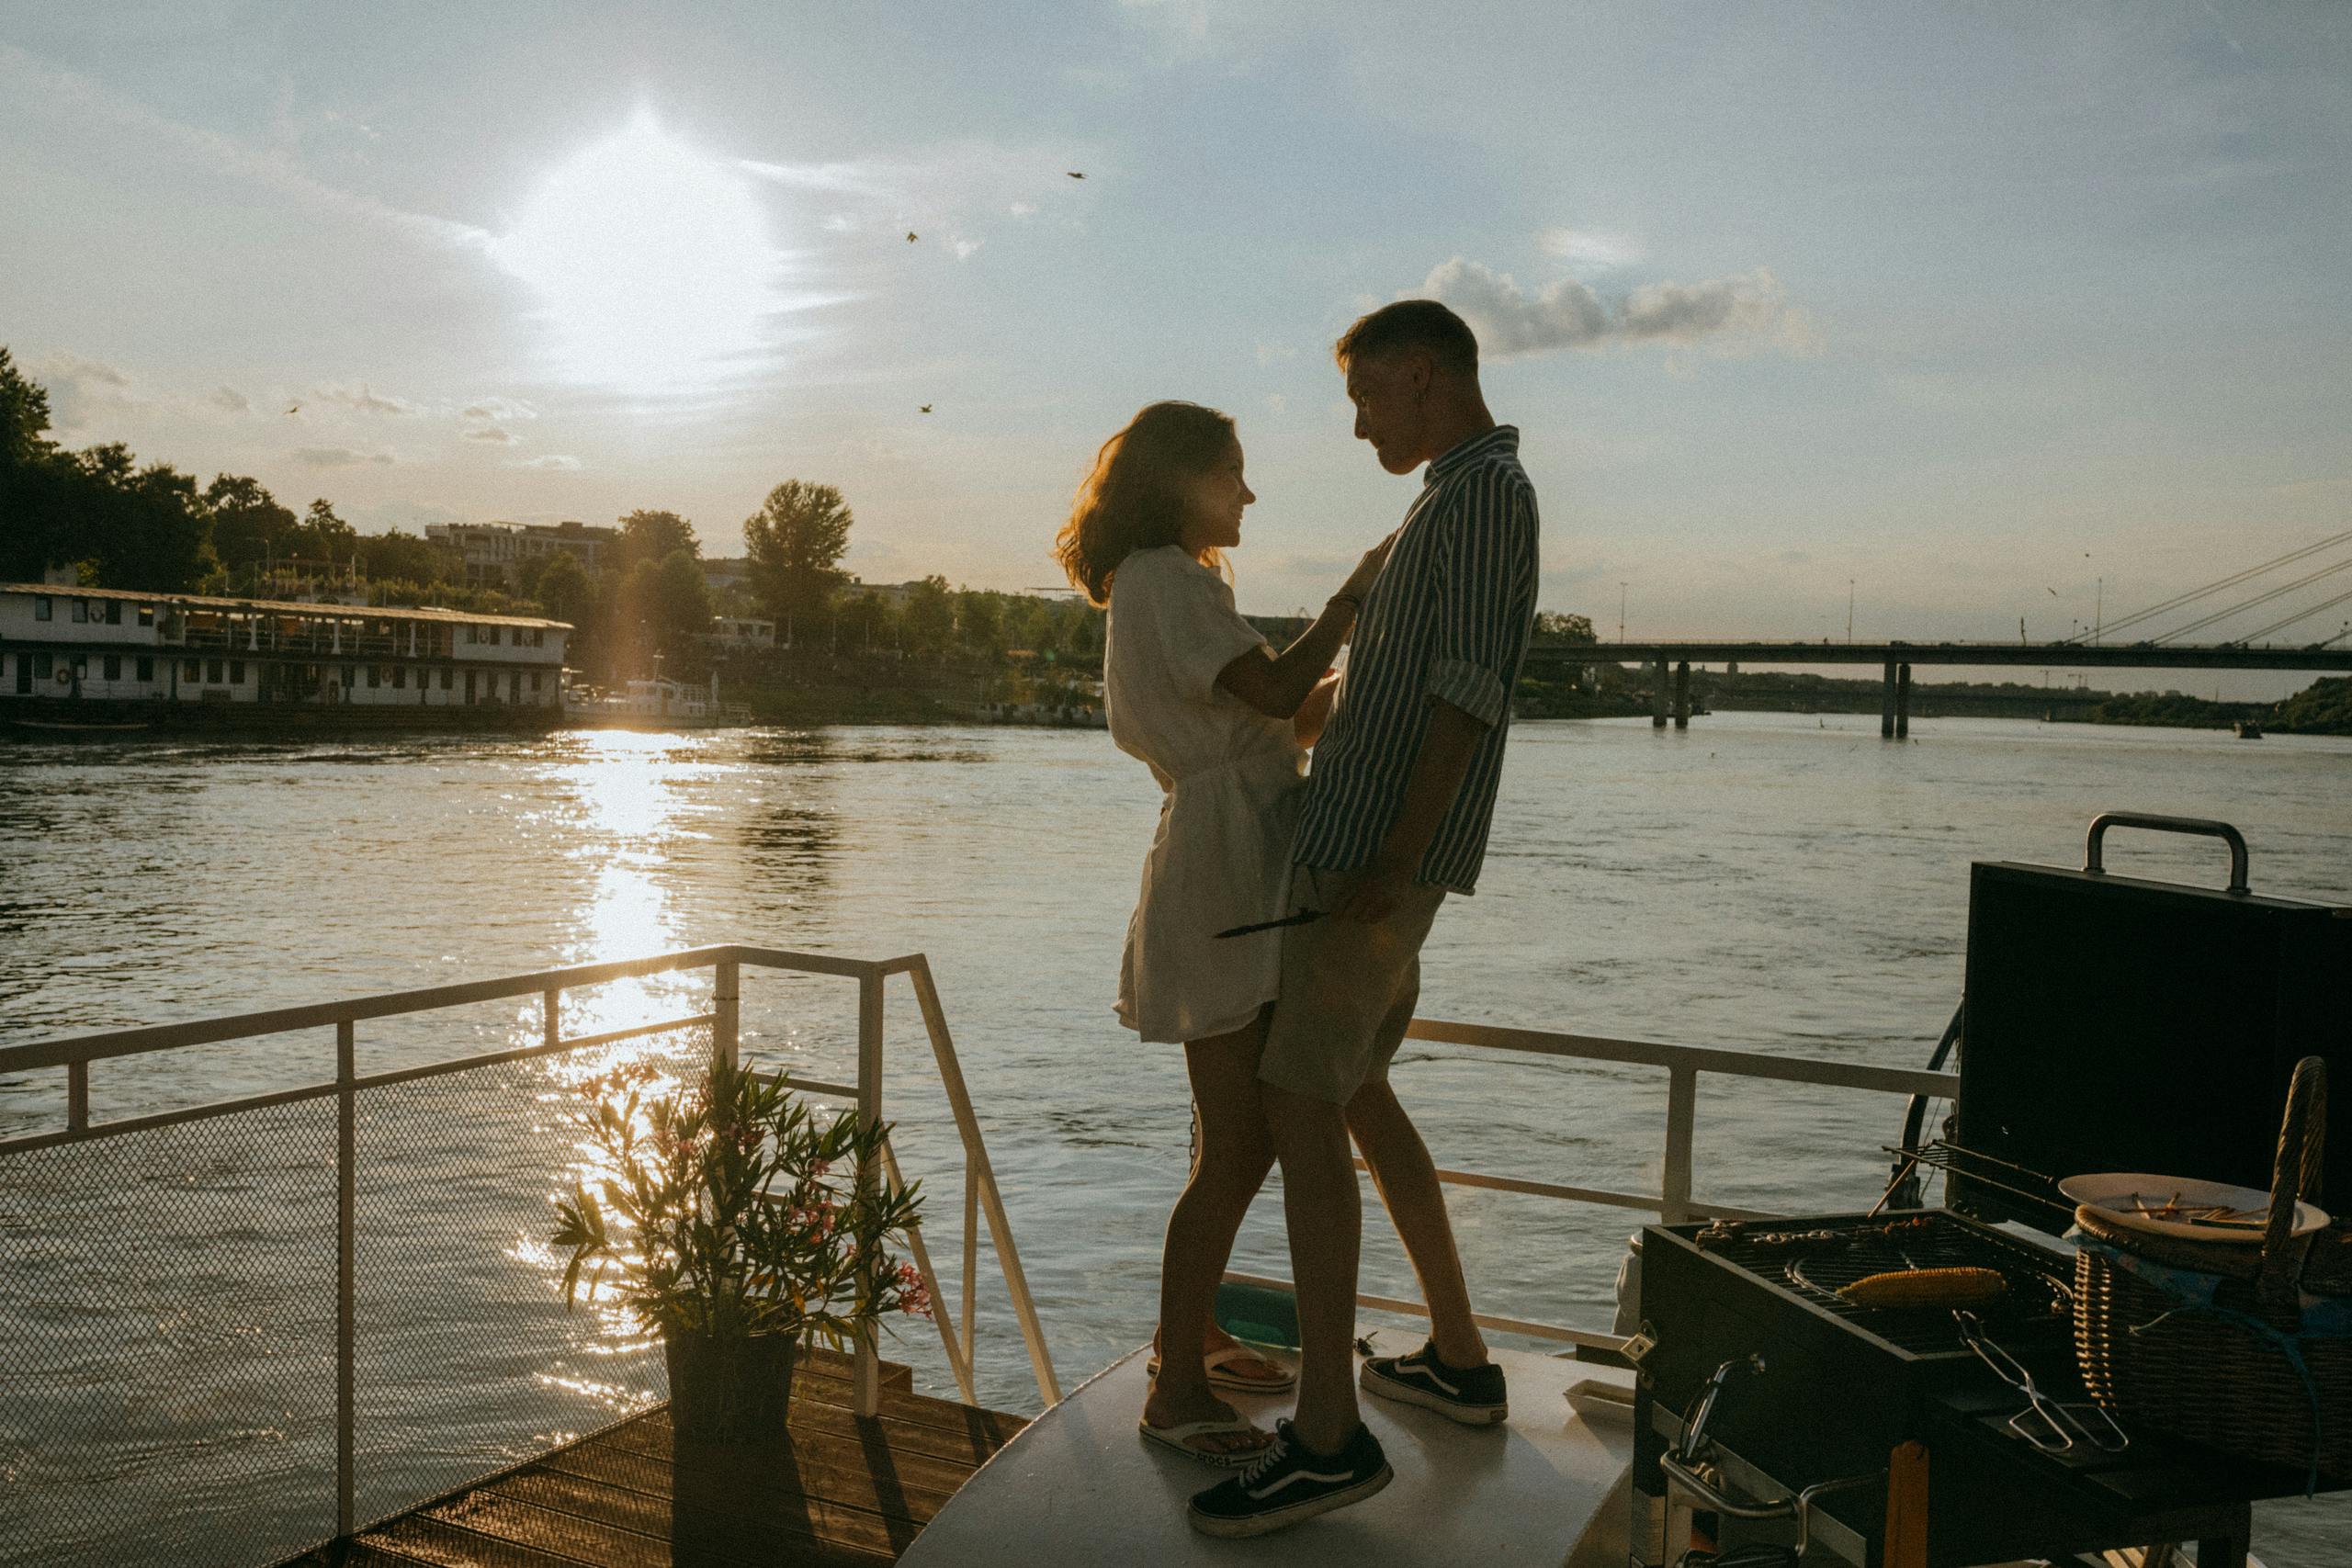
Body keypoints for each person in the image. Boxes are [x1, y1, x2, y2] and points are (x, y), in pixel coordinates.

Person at [1188, 299, 1540, 1539]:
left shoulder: (1487, 494)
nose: (1356, 425)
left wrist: (1393, 849)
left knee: (1298, 1102)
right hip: (1359, 855)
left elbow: (1469, 687)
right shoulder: (1444, 498)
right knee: (1355, 1097)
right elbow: (1398, 685)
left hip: (1370, 868)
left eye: (1368, 396)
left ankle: (1329, 1436)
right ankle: (1456, 1353)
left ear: (1428, 376)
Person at [1054, 400, 1393, 1468]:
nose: (1247, 494)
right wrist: (1350, 600)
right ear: (1180, 482)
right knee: (1239, 1141)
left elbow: (1282, 718)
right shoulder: (1164, 575)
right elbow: (1278, 688)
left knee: (1225, 1130)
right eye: (1233, 474)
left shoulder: (1172, 582)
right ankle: (1177, 1390)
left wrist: (1374, 673)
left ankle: (1189, 1339)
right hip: (1226, 864)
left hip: (1233, 848)